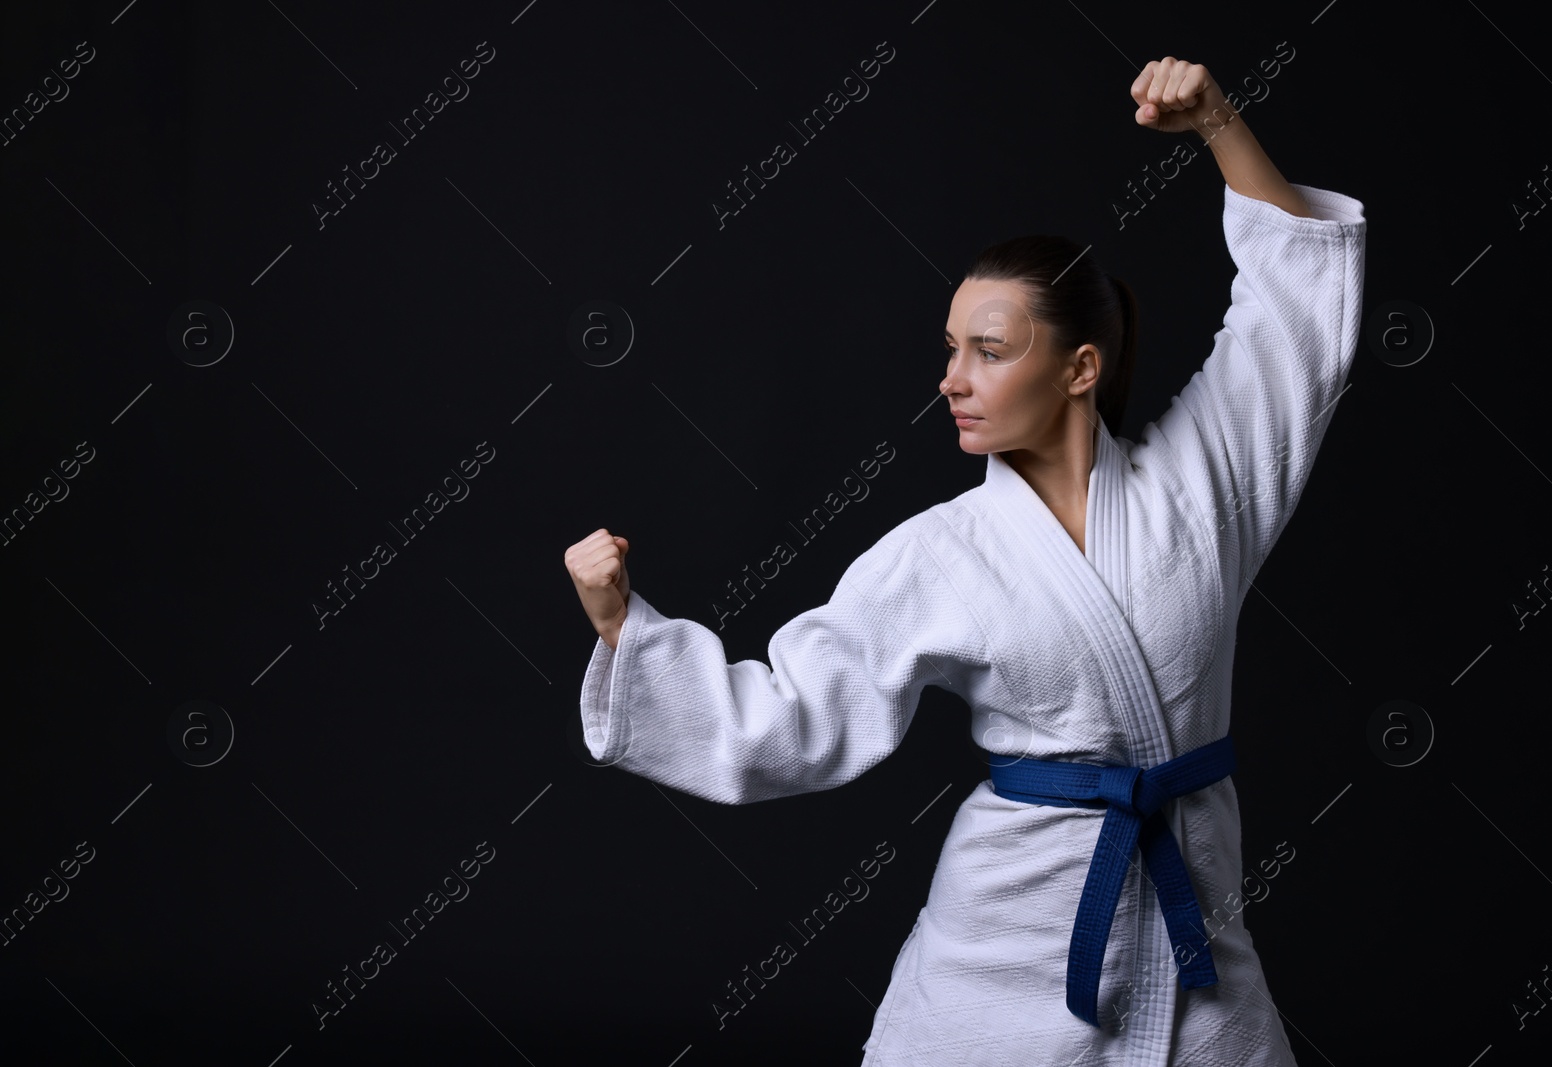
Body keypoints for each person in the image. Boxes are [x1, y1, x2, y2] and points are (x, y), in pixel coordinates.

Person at [565, 56, 1365, 1066]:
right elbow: (795, 716)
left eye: (989, 349)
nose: (952, 379)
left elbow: (1290, 323)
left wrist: (1215, 120)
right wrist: (621, 626)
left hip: (1189, 927)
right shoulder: (941, 554)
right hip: (1009, 945)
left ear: (1081, 367)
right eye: (950, 349)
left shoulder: (1200, 487)